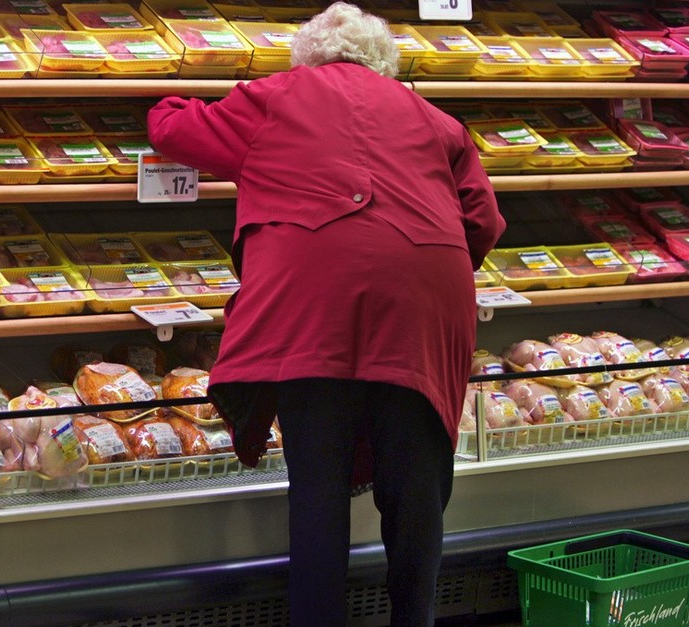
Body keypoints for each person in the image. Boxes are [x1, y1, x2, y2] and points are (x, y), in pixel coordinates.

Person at [146, 4, 506, 626]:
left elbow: (176, 131)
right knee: (416, 490)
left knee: (317, 487)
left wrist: (163, 94)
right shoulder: (436, 119)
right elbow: (482, 222)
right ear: (384, 61)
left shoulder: (274, 96)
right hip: (424, 303)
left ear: (306, 57)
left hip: (310, 304)